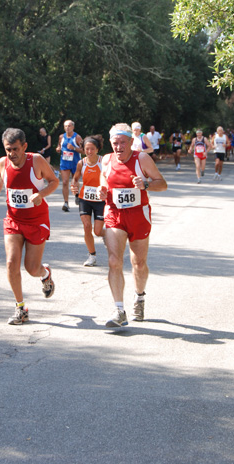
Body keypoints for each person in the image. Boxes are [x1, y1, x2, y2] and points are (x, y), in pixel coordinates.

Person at [0, 128, 59, 325]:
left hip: (36, 220)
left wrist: (41, 195)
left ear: (24, 146)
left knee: (31, 269)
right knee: (10, 263)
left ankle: (45, 273)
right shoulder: (2, 163)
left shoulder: (37, 161)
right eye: (8, 150)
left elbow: (54, 181)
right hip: (13, 221)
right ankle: (20, 308)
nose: (12, 154)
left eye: (15, 149)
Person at [98, 123, 167, 328]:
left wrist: (145, 184)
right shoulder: (107, 160)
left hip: (139, 215)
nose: (118, 147)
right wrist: (102, 190)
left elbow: (162, 184)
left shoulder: (142, 159)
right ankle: (119, 310)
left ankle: (139, 296)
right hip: (114, 214)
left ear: (130, 142)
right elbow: (104, 178)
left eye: (122, 143)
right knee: (113, 261)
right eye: (114, 143)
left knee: (138, 263)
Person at [71, 135, 106, 267]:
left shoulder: (103, 162)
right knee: (86, 226)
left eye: (92, 149)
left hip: (100, 199)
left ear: (97, 149)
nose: (89, 151)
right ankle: (92, 255)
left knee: (97, 231)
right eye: (87, 149)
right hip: (84, 198)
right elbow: (75, 178)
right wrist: (74, 185)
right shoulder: (82, 163)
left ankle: (105, 234)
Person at [56, 120, 83, 212]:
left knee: (74, 181)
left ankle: (76, 195)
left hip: (75, 162)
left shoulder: (77, 137)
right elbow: (59, 146)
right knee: (64, 182)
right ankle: (66, 203)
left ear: (73, 127)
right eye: (65, 126)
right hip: (64, 162)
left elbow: (84, 150)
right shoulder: (61, 137)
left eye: (69, 126)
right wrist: (58, 149)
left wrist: (74, 148)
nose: (67, 128)